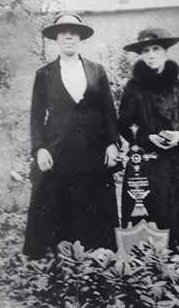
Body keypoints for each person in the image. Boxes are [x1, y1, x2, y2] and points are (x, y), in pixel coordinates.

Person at [23, 13, 120, 259]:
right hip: (58, 150)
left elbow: (109, 110)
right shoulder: (44, 73)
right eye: (63, 32)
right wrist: (40, 148)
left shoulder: (97, 71)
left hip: (92, 149)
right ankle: (57, 257)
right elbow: (36, 115)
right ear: (56, 38)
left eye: (74, 33)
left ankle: (94, 256)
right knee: (55, 200)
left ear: (80, 38)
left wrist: (112, 143)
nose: (68, 36)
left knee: (92, 199)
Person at [118, 28, 179, 254]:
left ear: (165, 52)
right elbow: (124, 123)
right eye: (145, 50)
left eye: (156, 49)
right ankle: (152, 269)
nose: (151, 55)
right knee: (152, 210)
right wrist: (147, 137)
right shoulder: (133, 88)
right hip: (148, 162)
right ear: (140, 55)